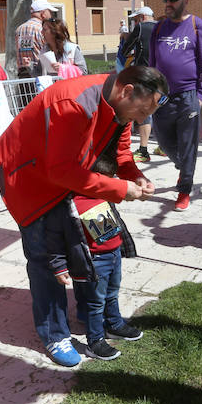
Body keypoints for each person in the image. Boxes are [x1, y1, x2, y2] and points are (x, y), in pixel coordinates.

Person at [0, 66, 167, 367]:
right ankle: (54, 334)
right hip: (30, 181)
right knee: (48, 260)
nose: (140, 121)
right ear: (126, 92)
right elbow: (59, 171)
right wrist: (119, 189)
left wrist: (136, 177)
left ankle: (91, 313)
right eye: (141, 111)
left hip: (77, 179)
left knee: (92, 247)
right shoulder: (73, 105)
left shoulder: (119, 106)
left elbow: (120, 155)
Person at [45, 148, 143, 361]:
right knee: (94, 303)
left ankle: (114, 324)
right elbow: (54, 239)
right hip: (93, 262)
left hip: (114, 255)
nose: (112, 185)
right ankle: (95, 341)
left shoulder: (104, 196)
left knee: (112, 293)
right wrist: (59, 266)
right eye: (108, 181)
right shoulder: (68, 204)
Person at [149, 0, 202, 212]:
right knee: (165, 143)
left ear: (185, 1)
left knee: (188, 147)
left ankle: (185, 188)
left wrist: (200, 96)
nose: (168, 3)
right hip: (163, 97)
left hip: (189, 96)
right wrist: (152, 91)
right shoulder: (158, 28)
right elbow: (151, 63)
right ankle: (184, 168)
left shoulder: (198, 26)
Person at [122, 7, 157, 162]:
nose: (134, 22)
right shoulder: (164, 26)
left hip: (145, 73)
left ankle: (143, 151)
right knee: (161, 109)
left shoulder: (141, 27)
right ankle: (163, 146)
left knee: (144, 110)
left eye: (135, 19)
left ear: (142, 17)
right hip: (164, 74)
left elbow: (125, 50)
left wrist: (126, 38)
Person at [16, 0, 57, 77]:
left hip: (23, 74)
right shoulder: (42, 29)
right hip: (40, 73)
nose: (51, 15)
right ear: (43, 13)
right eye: (50, 12)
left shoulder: (19, 29)